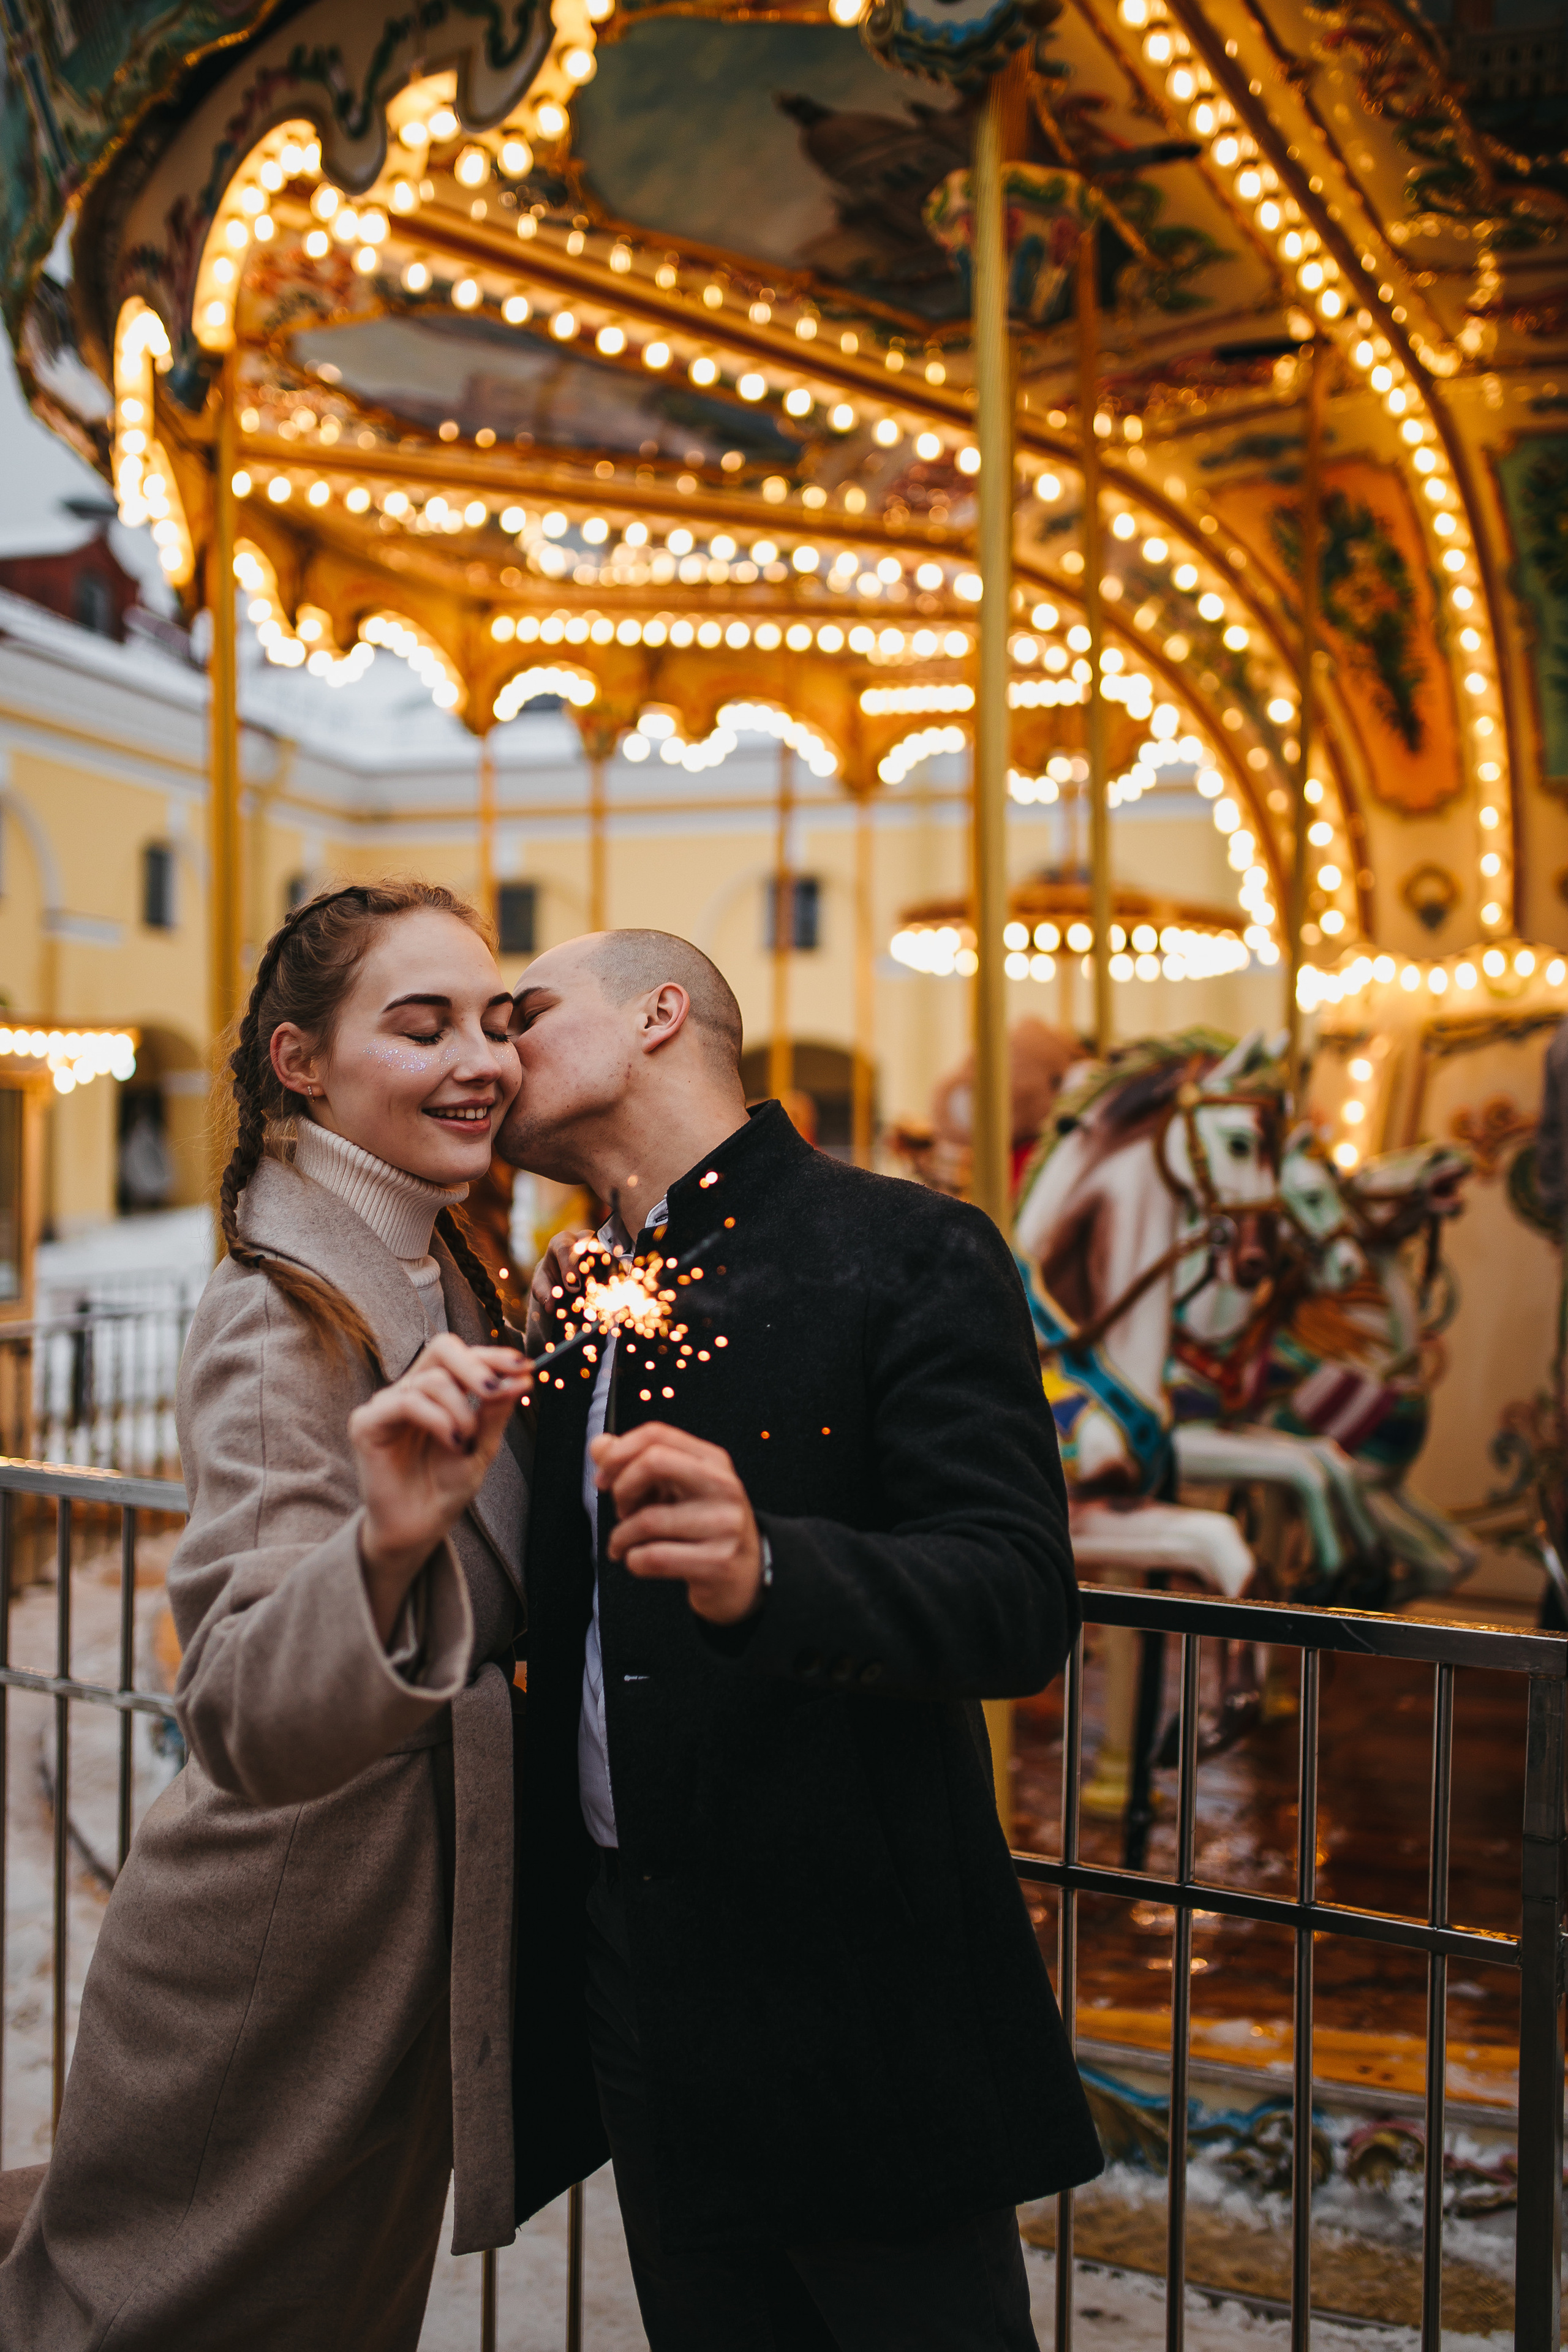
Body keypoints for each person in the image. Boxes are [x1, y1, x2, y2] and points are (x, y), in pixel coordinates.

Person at [501, 927, 1102, 2351]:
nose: (488, 1048)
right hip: (635, 1964)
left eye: (518, 1011)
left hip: (849, 1985)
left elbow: (1016, 1595)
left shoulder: (909, 1246)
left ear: (659, 1014)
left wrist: (775, 1569)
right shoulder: (584, 1294)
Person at [0, 881, 556, 2351]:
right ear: (301, 1062)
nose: (477, 1058)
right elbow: (239, 1699)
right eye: (420, 1024)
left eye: (494, 1021)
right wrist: (382, 1544)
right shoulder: (280, 1311)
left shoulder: (435, 1254)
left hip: (375, 1955)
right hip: (276, 1967)